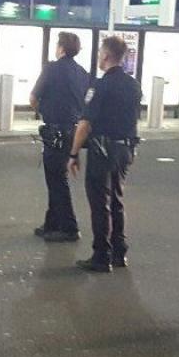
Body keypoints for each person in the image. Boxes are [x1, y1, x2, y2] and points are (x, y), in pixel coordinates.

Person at [68, 36, 141, 273]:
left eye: (100, 53)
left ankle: (101, 255)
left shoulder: (101, 86)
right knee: (117, 199)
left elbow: (85, 124)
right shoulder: (133, 85)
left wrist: (73, 154)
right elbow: (133, 119)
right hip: (125, 148)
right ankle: (119, 251)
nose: (99, 57)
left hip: (103, 149)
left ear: (107, 56)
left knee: (100, 202)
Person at [30, 32, 91, 242]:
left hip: (55, 130)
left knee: (56, 179)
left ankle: (69, 227)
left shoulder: (51, 69)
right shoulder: (82, 73)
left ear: (61, 48)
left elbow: (33, 98)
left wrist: (44, 110)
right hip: (73, 131)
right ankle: (52, 223)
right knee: (57, 177)